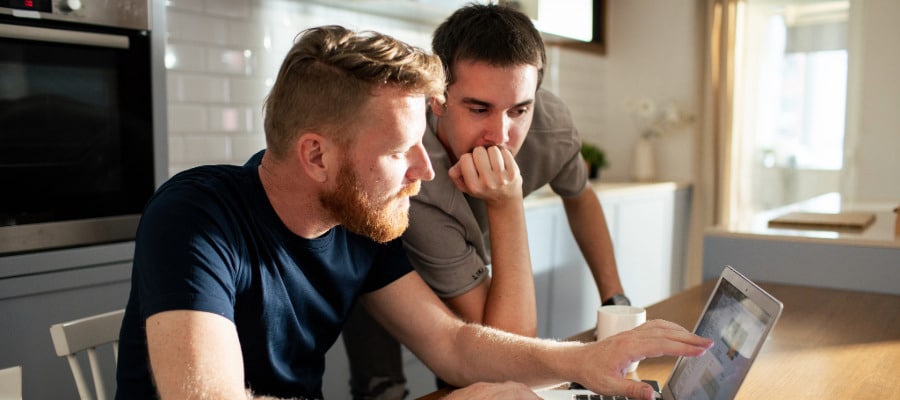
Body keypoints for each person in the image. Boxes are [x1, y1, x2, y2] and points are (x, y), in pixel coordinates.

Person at [115, 25, 711, 400]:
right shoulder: (196, 218)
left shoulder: (355, 223)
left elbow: (454, 346)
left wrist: (584, 360)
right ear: (316, 155)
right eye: (402, 152)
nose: (424, 172)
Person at [343, 4, 632, 398]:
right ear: (437, 100)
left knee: (475, 377)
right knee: (387, 387)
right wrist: (506, 204)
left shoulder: (552, 128)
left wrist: (615, 299)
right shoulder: (416, 173)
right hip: (381, 255)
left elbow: (580, 198)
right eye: (479, 109)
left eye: (519, 109)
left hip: (470, 254)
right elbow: (508, 344)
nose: (500, 134)